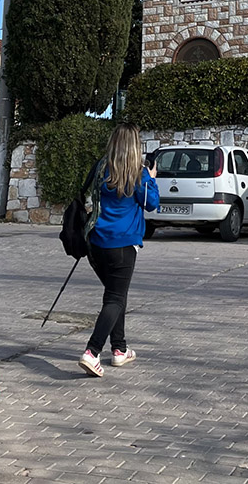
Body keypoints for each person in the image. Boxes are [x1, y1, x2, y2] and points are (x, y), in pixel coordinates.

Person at [79, 122, 159, 378]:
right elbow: (151, 204)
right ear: (135, 147)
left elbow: (84, 195)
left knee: (116, 294)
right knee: (114, 298)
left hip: (97, 242)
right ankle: (92, 352)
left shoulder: (101, 167)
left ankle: (119, 349)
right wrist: (152, 179)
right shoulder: (139, 174)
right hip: (124, 243)